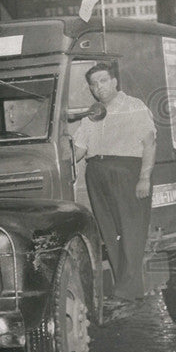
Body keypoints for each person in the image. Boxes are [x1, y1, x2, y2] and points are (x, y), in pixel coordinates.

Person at [73, 62, 156, 305]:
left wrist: (144, 178)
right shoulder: (92, 114)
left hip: (127, 172)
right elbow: (79, 149)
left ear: (114, 82)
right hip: (96, 172)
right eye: (93, 84)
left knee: (130, 231)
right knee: (109, 232)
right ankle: (126, 287)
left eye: (103, 81)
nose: (99, 87)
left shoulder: (134, 107)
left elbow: (149, 144)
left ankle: (127, 289)